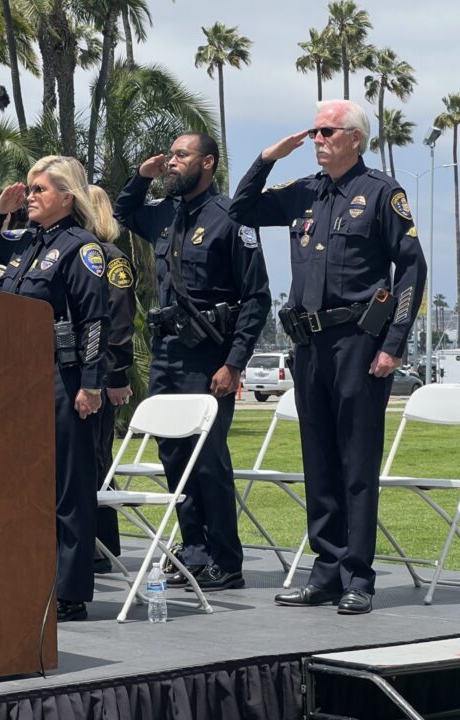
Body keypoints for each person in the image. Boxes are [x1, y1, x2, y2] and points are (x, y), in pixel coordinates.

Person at [228, 100, 427, 614]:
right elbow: (241, 208)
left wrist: (393, 344)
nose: (317, 139)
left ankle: (358, 577)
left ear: (354, 138)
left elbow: (410, 271)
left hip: (358, 343)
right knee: (318, 463)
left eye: (327, 131)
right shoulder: (305, 194)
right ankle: (326, 572)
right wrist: (269, 157)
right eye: (314, 131)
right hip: (308, 345)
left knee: (355, 463)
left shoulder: (382, 193)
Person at [113, 132, 271, 593]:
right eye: (171, 155)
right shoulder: (165, 214)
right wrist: (140, 178)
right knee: (174, 457)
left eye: (181, 156)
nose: (172, 162)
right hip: (167, 355)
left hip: (210, 358)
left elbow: (256, 298)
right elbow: (124, 214)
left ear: (207, 163)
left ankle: (226, 558)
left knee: (208, 462)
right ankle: (195, 553)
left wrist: (235, 363)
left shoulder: (230, 219)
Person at [0, 155, 110, 622]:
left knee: (69, 487)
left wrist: (91, 385)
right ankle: (31, 575)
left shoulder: (80, 247)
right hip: (18, 380)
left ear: (67, 197)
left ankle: (70, 592)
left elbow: (95, 321)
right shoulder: (25, 242)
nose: (30, 196)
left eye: (39, 191)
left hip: (63, 376)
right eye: (29, 189)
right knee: (22, 484)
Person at [87, 185, 136, 572]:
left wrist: (116, 373)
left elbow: (119, 324)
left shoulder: (112, 260)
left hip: (101, 373)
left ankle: (101, 547)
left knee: (97, 459)